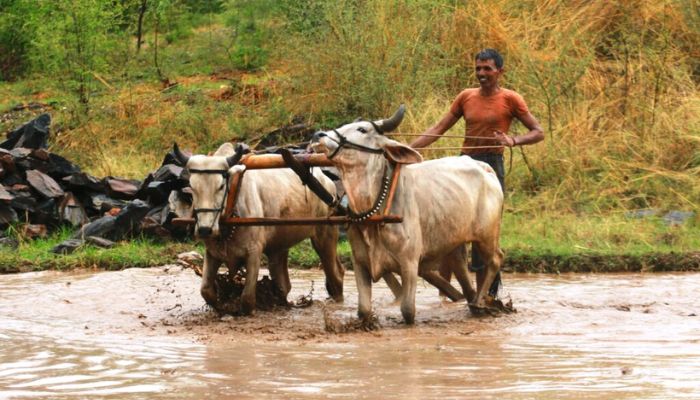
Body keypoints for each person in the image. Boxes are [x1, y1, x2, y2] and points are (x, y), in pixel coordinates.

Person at [410, 48, 544, 301]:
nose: (481, 74)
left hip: (489, 168)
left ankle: (485, 295)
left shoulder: (511, 99)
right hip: (462, 167)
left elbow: (538, 131)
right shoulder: (466, 97)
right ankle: (445, 298)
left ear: (500, 72)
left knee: (483, 235)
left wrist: (513, 140)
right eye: (478, 69)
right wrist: (407, 149)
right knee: (451, 234)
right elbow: (438, 128)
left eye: (487, 69)